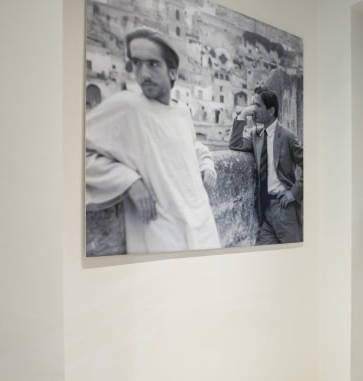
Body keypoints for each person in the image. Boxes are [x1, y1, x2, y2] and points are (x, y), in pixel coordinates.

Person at [85, 28, 220, 253]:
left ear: (173, 72)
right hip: (161, 236)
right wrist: (129, 181)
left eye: (153, 64)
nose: (144, 74)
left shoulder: (182, 112)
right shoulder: (127, 107)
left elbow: (190, 146)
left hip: (203, 227)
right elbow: (76, 151)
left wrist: (206, 163)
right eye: (137, 64)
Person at [229, 87, 303, 244]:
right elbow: (235, 144)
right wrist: (242, 115)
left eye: (257, 105)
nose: (253, 110)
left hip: (284, 208)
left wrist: (294, 193)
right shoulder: (256, 134)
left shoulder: (288, 136)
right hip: (265, 211)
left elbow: (309, 164)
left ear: (271, 110)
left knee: (293, 253)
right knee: (263, 252)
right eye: (252, 105)